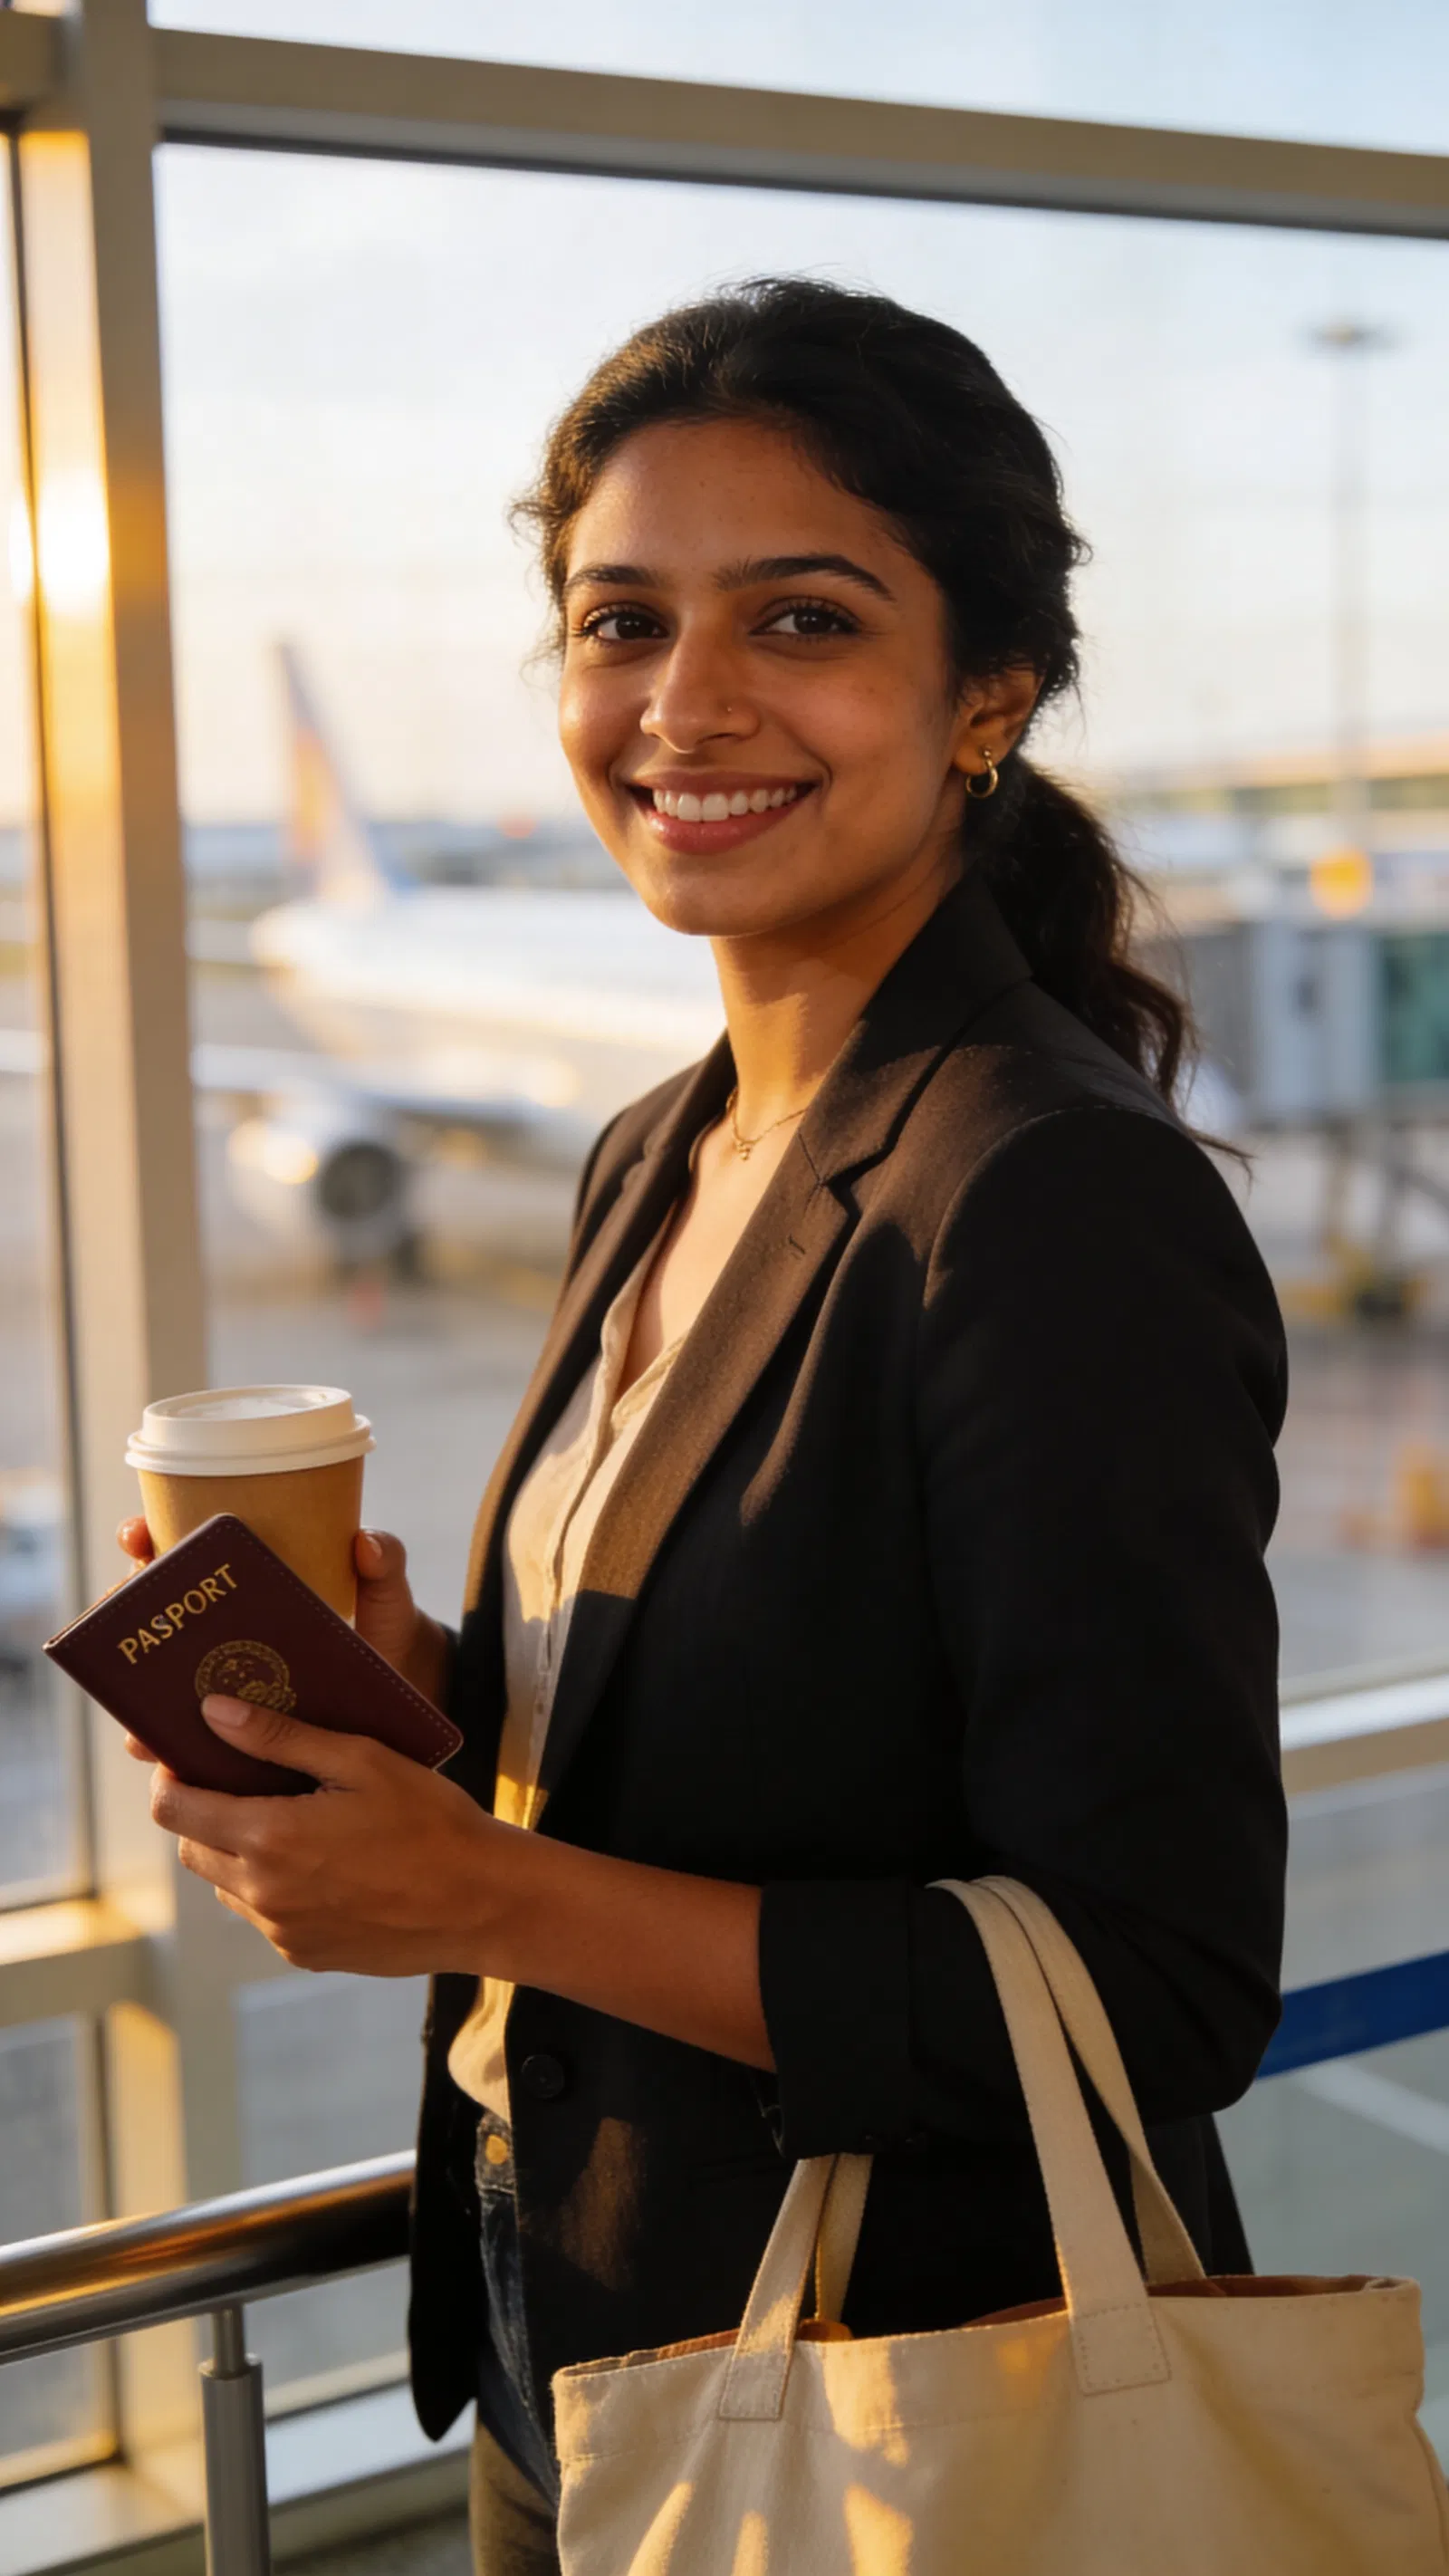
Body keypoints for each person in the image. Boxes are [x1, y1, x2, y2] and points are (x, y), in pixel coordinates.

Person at [127, 279, 1288, 2575]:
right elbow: (779, 1707)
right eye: (617, 620)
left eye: (798, 618)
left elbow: (1153, 1981)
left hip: (889, 2403)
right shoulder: (666, 1140)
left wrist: (479, 1892)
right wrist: (452, 1701)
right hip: (572, 2301)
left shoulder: (1041, 1196)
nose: (684, 704)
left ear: (988, 694)